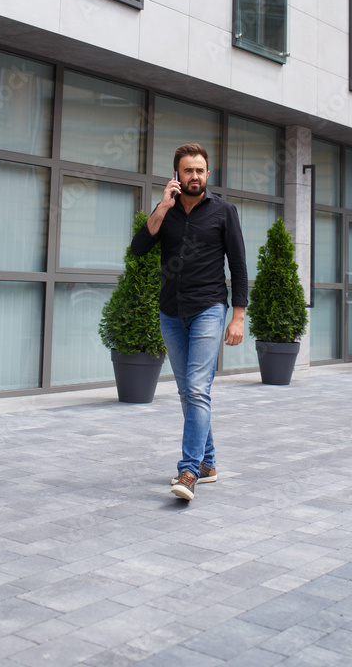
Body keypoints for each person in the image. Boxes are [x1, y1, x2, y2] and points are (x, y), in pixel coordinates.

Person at [131, 143, 248, 501]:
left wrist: (238, 317)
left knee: (198, 388)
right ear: (176, 175)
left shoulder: (224, 211)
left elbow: (239, 265)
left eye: (200, 170)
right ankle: (209, 463)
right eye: (187, 170)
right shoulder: (164, 211)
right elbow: (138, 250)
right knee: (188, 391)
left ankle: (189, 471)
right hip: (171, 311)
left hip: (209, 309)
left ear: (207, 174)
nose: (194, 176)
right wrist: (162, 206)